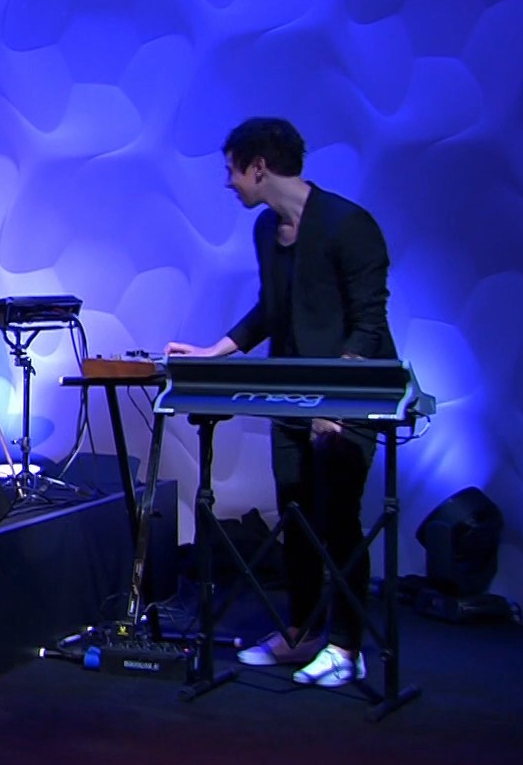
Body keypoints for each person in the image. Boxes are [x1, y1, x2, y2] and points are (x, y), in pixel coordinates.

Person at [165, 117, 396, 688]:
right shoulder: (267, 228)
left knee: (337, 519)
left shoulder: (349, 225)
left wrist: (335, 401)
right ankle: (303, 632)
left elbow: (368, 325)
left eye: (232, 170)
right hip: (293, 399)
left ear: (259, 167)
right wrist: (213, 351)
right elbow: (273, 310)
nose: (229, 183)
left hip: (348, 401)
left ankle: (346, 646)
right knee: (295, 513)